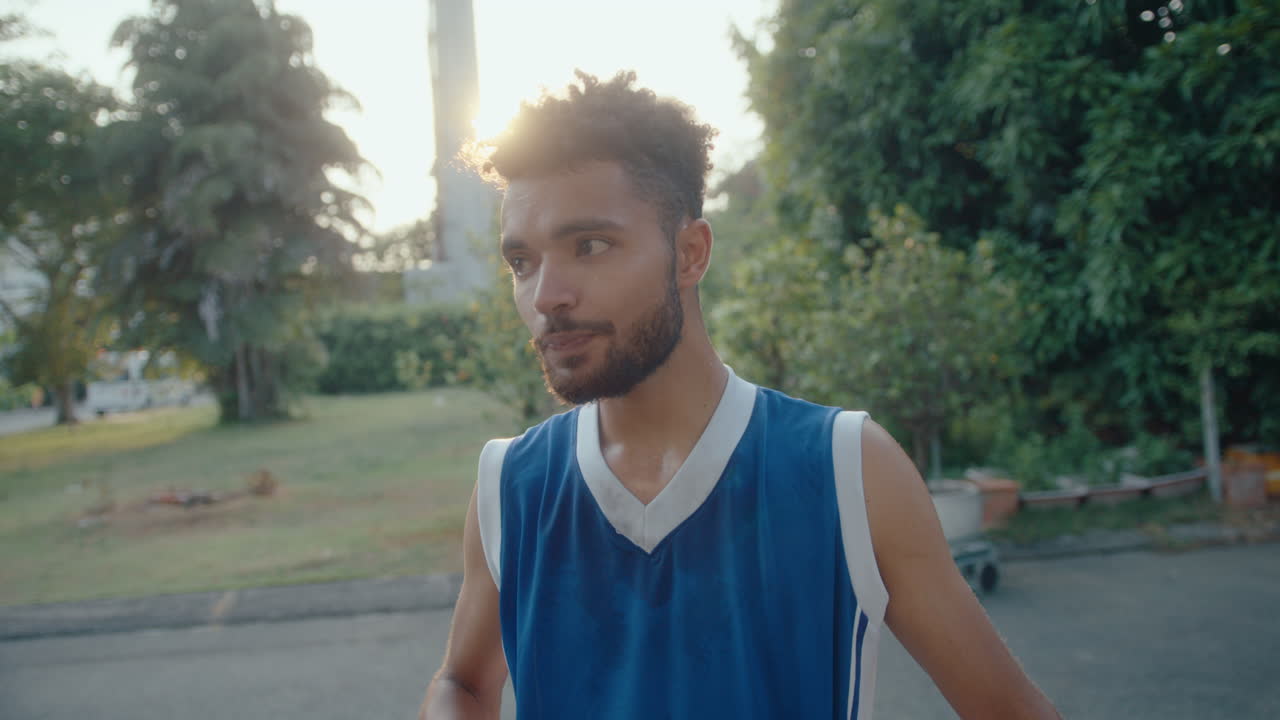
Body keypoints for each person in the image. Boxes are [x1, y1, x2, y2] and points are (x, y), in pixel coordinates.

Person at [419, 71, 1061, 720]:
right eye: (522, 262)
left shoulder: (846, 467)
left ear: (691, 253)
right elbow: (464, 683)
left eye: (589, 246)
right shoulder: (511, 484)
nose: (546, 295)